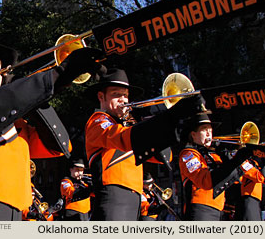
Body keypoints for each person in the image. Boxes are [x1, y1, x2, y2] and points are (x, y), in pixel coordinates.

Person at [0, 40, 106, 221]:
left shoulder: (16, 121)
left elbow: (59, 146)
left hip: (18, 211)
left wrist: (49, 88)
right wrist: (54, 76)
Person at [84, 68, 205, 220]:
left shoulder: (127, 126)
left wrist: (163, 123)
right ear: (101, 97)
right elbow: (123, 138)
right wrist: (167, 117)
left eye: (126, 96)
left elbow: (164, 157)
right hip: (113, 194)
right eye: (116, 94)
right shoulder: (97, 121)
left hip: (134, 194)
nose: (124, 100)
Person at [178, 113, 262, 220]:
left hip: (219, 210)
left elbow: (256, 177)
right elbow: (205, 181)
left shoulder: (216, 155)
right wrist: (234, 161)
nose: (209, 132)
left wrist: (232, 159)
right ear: (193, 135)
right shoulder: (189, 154)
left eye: (210, 129)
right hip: (200, 208)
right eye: (204, 129)